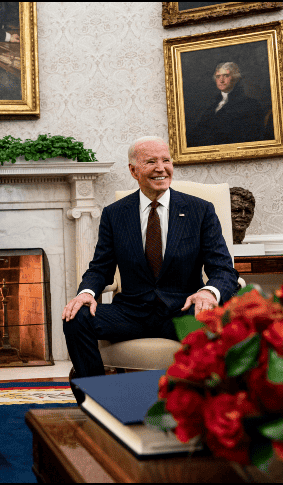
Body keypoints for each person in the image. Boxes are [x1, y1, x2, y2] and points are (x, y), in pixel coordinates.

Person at [62, 136, 239, 385]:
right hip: (131, 313)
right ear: (133, 171)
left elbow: (223, 269)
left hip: (182, 311)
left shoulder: (200, 210)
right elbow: (101, 267)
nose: (161, 168)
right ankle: (97, 397)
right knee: (76, 317)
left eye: (166, 160)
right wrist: (87, 292)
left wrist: (209, 293)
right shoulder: (115, 214)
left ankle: (203, 404)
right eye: (151, 161)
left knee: (217, 326)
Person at [188, 62, 269, 148]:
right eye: (218, 76)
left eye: (226, 76)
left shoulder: (250, 105)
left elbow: (249, 138)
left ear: (235, 78)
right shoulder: (212, 106)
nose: (221, 80)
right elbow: (197, 134)